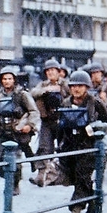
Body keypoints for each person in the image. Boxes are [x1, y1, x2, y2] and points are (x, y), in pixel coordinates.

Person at [51, 70, 107, 213]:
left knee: (82, 176)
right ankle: (92, 202)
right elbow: (61, 126)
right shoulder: (65, 103)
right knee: (74, 176)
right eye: (73, 86)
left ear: (87, 87)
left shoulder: (95, 102)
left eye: (80, 86)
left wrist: (93, 129)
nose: (76, 89)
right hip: (72, 145)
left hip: (91, 146)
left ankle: (75, 212)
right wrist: (58, 146)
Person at [0, 66, 40, 196]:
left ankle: (14, 184)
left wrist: (30, 126)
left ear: (14, 80)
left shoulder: (22, 94)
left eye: (9, 78)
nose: (7, 81)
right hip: (1, 131)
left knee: (16, 159)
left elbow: (34, 111)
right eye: (4, 79)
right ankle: (8, 178)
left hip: (17, 132)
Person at [28, 59, 69, 187]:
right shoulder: (43, 84)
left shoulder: (65, 84)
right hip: (47, 120)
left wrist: (60, 92)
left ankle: (62, 175)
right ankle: (41, 176)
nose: (50, 73)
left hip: (63, 120)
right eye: (48, 71)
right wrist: (47, 90)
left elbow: (72, 96)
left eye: (53, 70)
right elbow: (32, 93)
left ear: (59, 72)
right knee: (44, 147)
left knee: (64, 147)